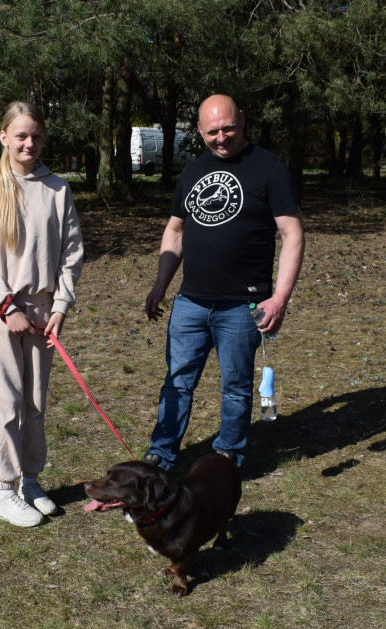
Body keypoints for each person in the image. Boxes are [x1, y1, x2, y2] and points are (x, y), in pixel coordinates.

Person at [143, 94, 305, 472]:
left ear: (243, 120)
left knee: (235, 387)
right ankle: (162, 452)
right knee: (177, 382)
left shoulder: (269, 168)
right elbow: (176, 229)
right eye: (212, 131)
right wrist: (160, 285)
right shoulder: (193, 171)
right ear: (200, 130)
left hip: (242, 305)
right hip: (191, 302)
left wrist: (280, 297)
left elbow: (292, 234)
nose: (221, 137)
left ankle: (227, 454)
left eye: (228, 128)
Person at [0, 101, 84, 526]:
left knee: (35, 402)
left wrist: (61, 306)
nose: (28, 142)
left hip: (44, 312)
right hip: (3, 313)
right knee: (7, 401)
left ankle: (31, 480)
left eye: (35, 135)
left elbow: (71, 253)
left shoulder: (57, 189)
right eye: (20, 135)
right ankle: (3, 490)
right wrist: (6, 307)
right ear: (4, 138)